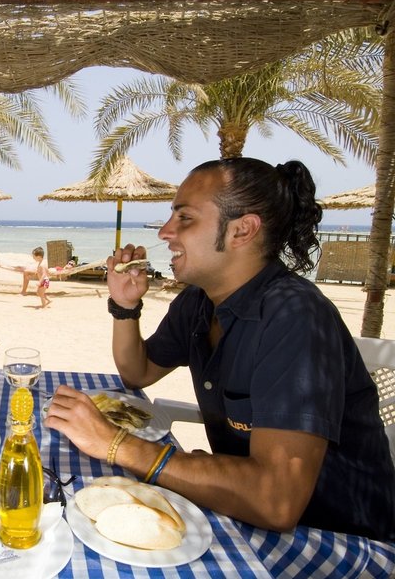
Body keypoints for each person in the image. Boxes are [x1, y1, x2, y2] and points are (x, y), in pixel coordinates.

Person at [46, 157, 395, 541]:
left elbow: (277, 501)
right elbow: (137, 372)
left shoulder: (295, 316)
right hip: (245, 508)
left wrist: (118, 446)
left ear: (242, 230)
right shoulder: (199, 302)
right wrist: (124, 306)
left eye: (185, 218)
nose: (165, 231)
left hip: (337, 536)